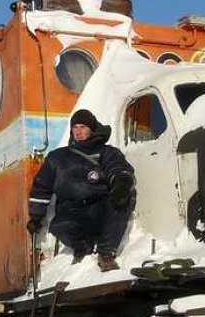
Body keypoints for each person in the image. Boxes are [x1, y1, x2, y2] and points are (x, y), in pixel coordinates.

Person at [26, 109, 135, 272]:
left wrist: (121, 186)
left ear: (92, 128)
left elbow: (119, 170)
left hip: (99, 209)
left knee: (121, 202)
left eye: (82, 127)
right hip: (71, 210)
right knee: (60, 226)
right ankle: (81, 247)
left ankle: (106, 253)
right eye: (75, 127)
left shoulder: (107, 152)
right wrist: (35, 217)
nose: (78, 131)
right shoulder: (57, 157)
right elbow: (41, 187)